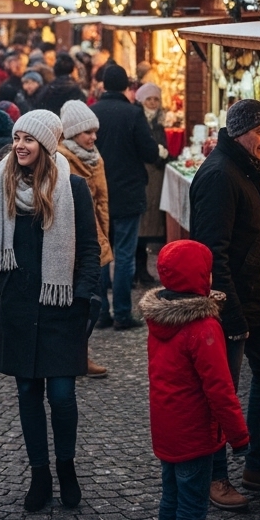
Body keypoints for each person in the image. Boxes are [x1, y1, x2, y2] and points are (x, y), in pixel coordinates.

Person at [0, 109, 101, 513]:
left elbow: (90, 248)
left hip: (61, 306)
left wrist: (83, 296)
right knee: (27, 392)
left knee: (61, 395)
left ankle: (67, 468)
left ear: (46, 144)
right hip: (19, 306)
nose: (20, 145)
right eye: (17, 137)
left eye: (28, 139)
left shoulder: (73, 187)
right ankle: (39, 475)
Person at [187, 99, 260, 509]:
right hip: (231, 308)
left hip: (256, 301)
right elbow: (212, 254)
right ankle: (215, 476)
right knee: (220, 395)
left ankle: (258, 463)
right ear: (240, 131)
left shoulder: (247, 170)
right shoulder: (220, 175)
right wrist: (231, 315)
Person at [140, 240, 250, 520]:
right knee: (191, 507)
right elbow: (220, 389)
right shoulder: (204, 327)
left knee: (171, 499)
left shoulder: (159, 320)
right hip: (195, 435)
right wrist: (239, 437)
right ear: (199, 277)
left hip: (166, 432)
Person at [93, 65, 162, 329]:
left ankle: (100, 312)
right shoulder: (134, 114)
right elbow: (149, 153)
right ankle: (122, 313)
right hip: (129, 193)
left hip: (98, 193)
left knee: (100, 253)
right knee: (124, 256)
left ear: (103, 85)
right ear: (126, 87)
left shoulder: (93, 112)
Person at [59, 100, 114, 379]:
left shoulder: (92, 156)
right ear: (71, 134)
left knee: (91, 301)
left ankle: (77, 355)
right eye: (86, 132)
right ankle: (73, 357)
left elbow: (101, 200)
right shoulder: (64, 161)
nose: (93, 137)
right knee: (86, 301)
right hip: (78, 242)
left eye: (94, 131)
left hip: (96, 237)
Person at [136, 82, 170, 285]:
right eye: (149, 99)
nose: (152, 103)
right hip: (143, 176)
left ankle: (141, 269)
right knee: (141, 225)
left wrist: (165, 154)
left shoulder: (159, 123)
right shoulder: (138, 121)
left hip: (154, 178)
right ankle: (138, 270)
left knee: (148, 225)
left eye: (156, 99)